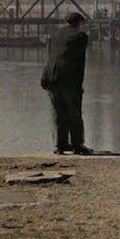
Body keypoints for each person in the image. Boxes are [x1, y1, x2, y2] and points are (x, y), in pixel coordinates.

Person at [41, 11, 93, 154]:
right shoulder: (80, 37)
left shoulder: (54, 35)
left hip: (50, 77)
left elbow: (51, 56)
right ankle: (78, 145)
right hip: (67, 78)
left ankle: (60, 146)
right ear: (79, 23)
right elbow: (79, 62)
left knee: (58, 112)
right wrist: (79, 86)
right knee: (74, 111)